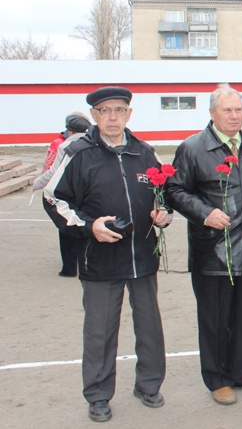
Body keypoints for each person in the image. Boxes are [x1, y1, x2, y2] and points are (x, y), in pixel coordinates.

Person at [43, 87, 168, 423]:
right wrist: (88, 225)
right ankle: (98, 395)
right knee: (100, 331)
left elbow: (162, 194)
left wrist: (163, 212)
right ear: (95, 116)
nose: (113, 117)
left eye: (119, 110)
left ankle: (149, 384)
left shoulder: (144, 152)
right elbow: (53, 198)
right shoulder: (78, 152)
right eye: (105, 111)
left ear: (129, 113)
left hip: (142, 256)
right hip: (99, 259)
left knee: (149, 326)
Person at [165, 84, 242, 405]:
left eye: (238, 109)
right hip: (213, 252)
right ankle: (217, 379)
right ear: (212, 113)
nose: (234, 115)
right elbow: (175, 190)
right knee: (214, 320)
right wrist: (204, 213)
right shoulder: (193, 148)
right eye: (227, 110)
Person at [34, 112, 92, 277]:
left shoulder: (64, 146)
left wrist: (37, 183)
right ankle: (87, 266)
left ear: (70, 131)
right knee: (88, 227)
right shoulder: (95, 143)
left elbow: (54, 171)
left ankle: (69, 269)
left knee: (67, 228)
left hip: (68, 194)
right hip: (88, 194)